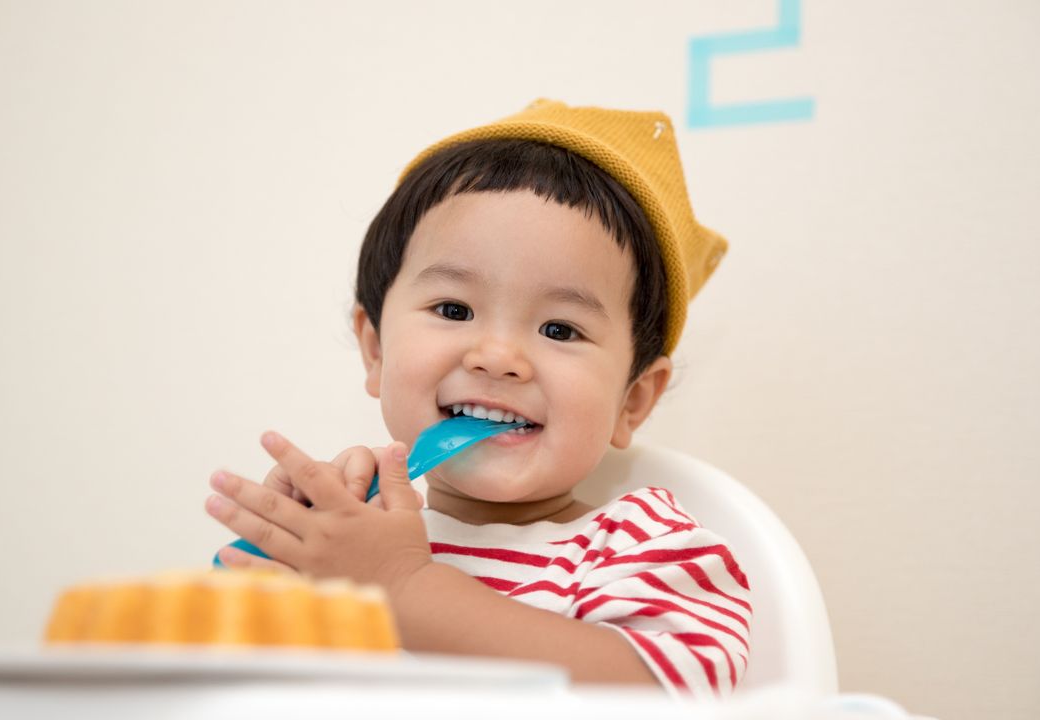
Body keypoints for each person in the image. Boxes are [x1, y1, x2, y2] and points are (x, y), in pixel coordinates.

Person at [204, 99, 750, 697]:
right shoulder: (350, 539)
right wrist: (287, 573)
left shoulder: (643, 545)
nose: (495, 356)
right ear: (376, 350)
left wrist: (401, 586)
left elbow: (670, 697)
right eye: (454, 310)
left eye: (560, 330)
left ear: (633, 400)